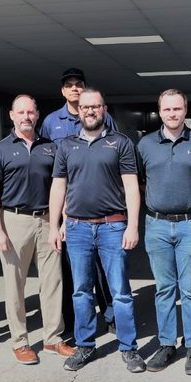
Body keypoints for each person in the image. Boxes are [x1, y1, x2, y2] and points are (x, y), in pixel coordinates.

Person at [48, 88, 145, 373]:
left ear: (104, 109)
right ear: (78, 111)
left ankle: (129, 348)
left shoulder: (121, 143)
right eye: (85, 107)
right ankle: (85, 345)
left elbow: (131, 187)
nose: (90, 111)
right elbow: (58, 187)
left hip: (112, 226)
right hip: (77, 228)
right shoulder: (66, 145)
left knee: (121, 292)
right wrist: (54, 225)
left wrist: (132, 226)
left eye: (95, 106)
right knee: (81, 291)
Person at [137, 89, 191, 375]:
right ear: (160, 112)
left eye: (177, 109)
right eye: (167, 109)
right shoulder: (146, 144)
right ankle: (166, 345)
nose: (172, 113)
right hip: (157, 225)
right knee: (164, 288)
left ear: (185, 110)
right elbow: (140, 181)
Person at [0, 95, 75, 365]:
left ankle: (53, 338)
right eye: (21, 112)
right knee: (15, 283)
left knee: (53, 282)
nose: (26, 117)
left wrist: (61, 222)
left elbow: (62, 187)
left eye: (31, 112)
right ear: (11, 115)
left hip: (48, 220)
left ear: (37, 115)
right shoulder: (0, 150)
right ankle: (20, 341)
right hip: (14, 221)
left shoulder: (51, 148)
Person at [39, 67, 116, 335]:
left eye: (79, 84)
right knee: (72, 269)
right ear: (63, 91)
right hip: (67, 203)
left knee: (104, 268)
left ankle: (111, 316)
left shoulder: (103, 116)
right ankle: (74, 321)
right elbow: (48, 164)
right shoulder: (51, 122)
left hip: (100, 203)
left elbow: (115, 154)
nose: (74, 88)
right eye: (69, 85)